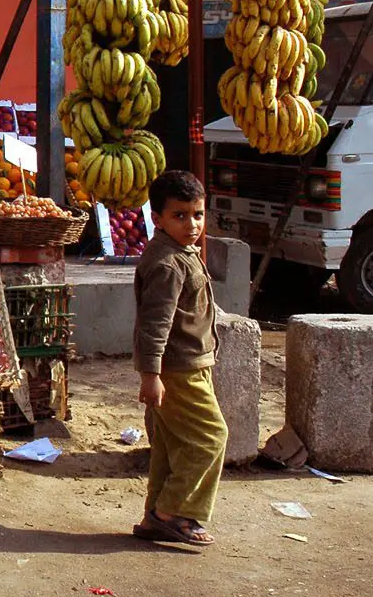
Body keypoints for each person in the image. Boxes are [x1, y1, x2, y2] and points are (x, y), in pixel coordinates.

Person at [131, 169, 227, 547]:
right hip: (178, 370)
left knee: (171, 446)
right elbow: (154, 324)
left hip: (191, 365)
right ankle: (173, 512)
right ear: (157, 218)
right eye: (180, 215)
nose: (192, 224)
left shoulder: (179, 253)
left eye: (198, 214)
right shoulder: (168, 264)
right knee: (211, 437)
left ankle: (156, 515)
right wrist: (151, 375)